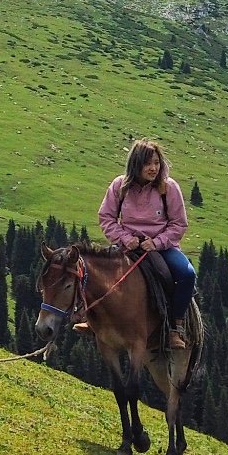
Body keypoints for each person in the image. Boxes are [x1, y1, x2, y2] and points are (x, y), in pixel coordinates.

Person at [97, 138, 195, 349]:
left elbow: (179, 223)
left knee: (187, 274)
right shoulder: (119, 186)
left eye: (156, 163)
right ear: (136, 164)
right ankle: (94, 321)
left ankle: (174, 328)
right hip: (127, 245)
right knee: (98, 273)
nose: (153, 168)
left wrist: (157, 242)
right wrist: (125, 239)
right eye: (148, 164)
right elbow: (106, 218)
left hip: (162, 247)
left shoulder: (168, 188)